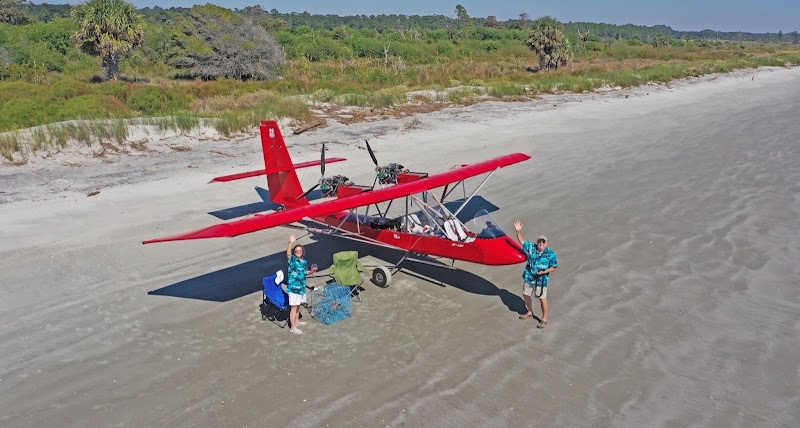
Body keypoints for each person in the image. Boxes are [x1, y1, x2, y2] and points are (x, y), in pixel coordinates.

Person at [514, 219, 558, 329]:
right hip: (529, 277)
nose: (541, 244)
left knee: (542, 298)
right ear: (537, 242)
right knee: (526, 294)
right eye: (539, 242)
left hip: (541, 280)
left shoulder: (551, 254)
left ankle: (544, 319)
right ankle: (529, 312)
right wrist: (518, 231)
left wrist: (544, 271)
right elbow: (522, 241)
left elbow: (554, 267)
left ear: (546, 243)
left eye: (543, 242)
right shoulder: (531, 247)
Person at [286, 234, 316, 334]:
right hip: (294, 288)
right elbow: (288, 254)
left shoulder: (304, 261)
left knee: (298, 305)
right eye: (296, 251)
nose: (298, 252)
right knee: (293, 307)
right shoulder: (292, 260)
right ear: (294, 252)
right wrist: (291, 242)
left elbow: (304, 272)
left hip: (302, 287)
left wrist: (310, 272)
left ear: (302, 252)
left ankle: (297, 321)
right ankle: (293, 327)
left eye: (300, 251)